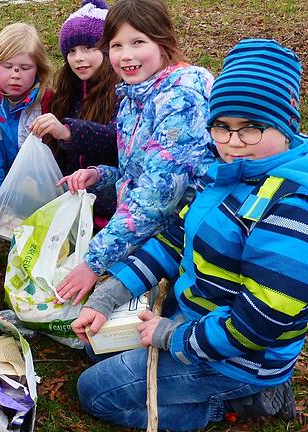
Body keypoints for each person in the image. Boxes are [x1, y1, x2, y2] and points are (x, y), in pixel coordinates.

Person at [72, 38, 308, 431]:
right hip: (200, 314)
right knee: (95, 348)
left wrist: (173, 337)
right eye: (221, 127)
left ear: (287, 122)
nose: (233, 143)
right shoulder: (233, 173)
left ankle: (248, 399)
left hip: (240, 355)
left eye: (252, 128)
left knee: (96, 392)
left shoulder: (297, 210)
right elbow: (176, 239)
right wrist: (109, 296)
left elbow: (260, 321)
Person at [54, 0, 215, 304]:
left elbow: (159, 194)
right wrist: (100, 175)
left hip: (187, 243)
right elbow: (138, 174)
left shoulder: (182, 97)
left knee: (109, 341)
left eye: (138, 42)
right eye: (116, 45)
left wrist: (92, 262)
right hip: (149, 234)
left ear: (164, 41)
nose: (126, 56)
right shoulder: (135, 93)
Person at [29, 0, 119, 229]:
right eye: (71, 51)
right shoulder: (66, 93)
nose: (78, 57)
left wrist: (67, 131)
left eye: (88, 48)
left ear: (108, 49)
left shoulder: (121, 92)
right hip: (69, 195)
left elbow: (116, 140)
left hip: (111, 199)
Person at [0, 22, 53, 232]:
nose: (15, 74)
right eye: (7, 66)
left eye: (25, 68)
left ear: (38, 69)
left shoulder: (48, 96)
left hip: (33, 179)